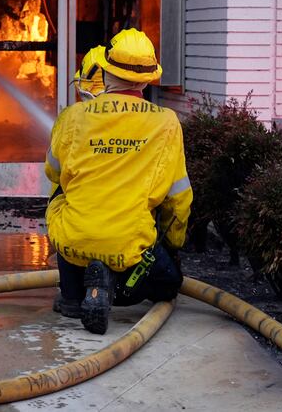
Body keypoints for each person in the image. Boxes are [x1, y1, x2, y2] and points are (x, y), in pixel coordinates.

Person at [45, 28, 192, 334]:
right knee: (169, 284)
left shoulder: (73, 116)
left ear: (107, 70)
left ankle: (73, 295)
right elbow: (179, 199)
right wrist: (172, 246)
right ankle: (113, 287)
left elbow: (53, 172)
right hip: (130, 247)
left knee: (60, 196)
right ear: (146, 78)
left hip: (74, 240)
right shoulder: (166, 122)